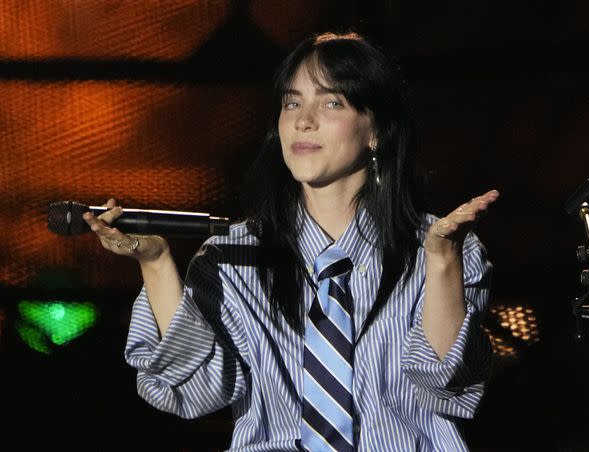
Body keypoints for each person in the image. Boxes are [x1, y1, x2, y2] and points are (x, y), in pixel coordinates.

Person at [84, 31, 499, 451]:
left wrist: (441, 260)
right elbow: (195, 393)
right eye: (292, 102)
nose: (304, 120)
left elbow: (448, 387)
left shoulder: (441, 248)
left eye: (332, 102)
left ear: (376, 130)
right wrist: (155, 264)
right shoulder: (232, 255)